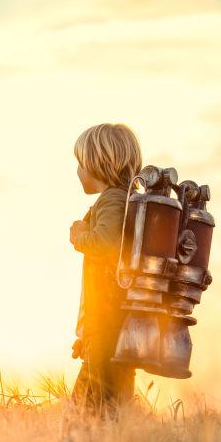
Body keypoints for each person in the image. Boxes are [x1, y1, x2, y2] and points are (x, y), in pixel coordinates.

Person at [68, 123, 142, 416]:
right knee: (116, 408)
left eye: (79, 163)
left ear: (97, 163)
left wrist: (79, 235)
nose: (77, 171)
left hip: (108, 321)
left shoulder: (112, 199)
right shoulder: (121, 199)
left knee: (83, 412)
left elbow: (107, 245)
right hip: (113, 320)